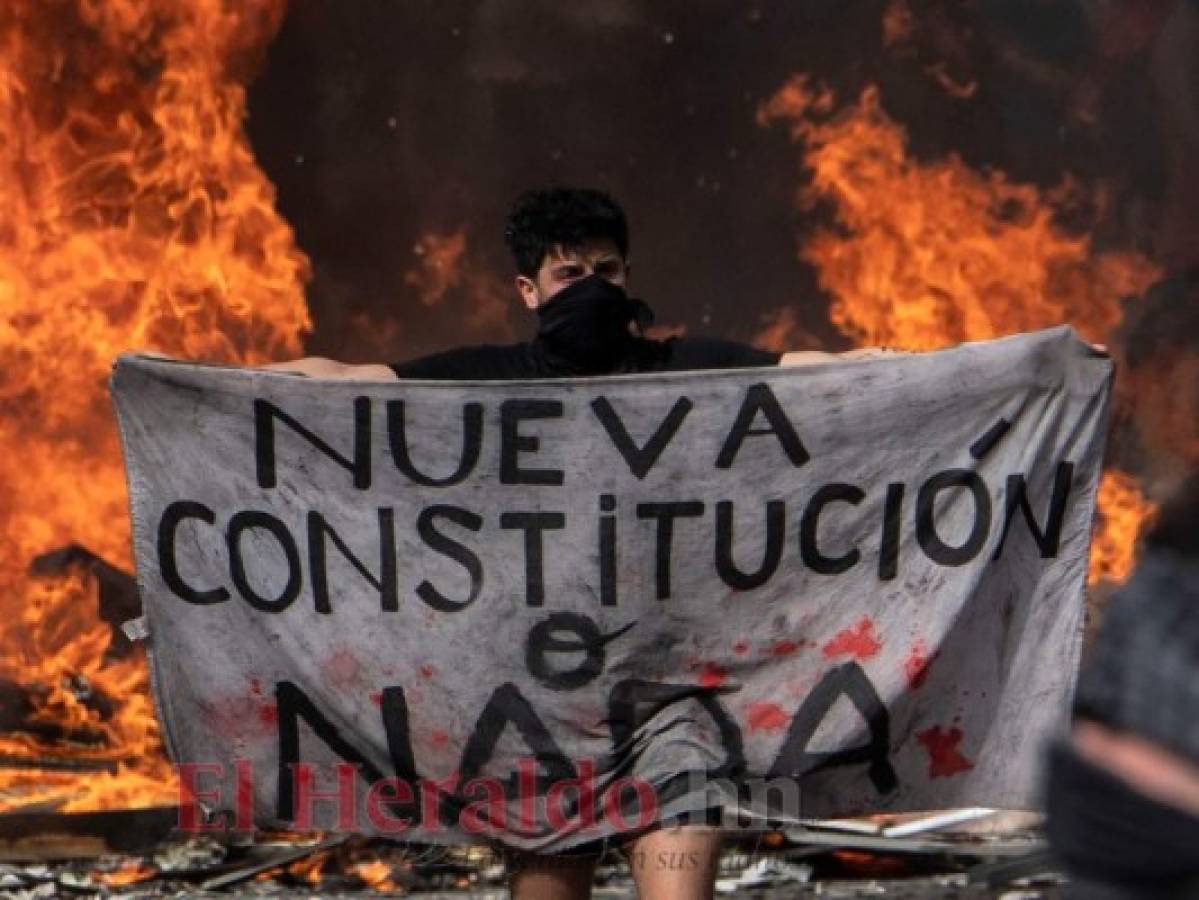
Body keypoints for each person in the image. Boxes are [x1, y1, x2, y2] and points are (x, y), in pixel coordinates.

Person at [270, 186, 886, 900]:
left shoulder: (683, 370)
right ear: (529, 290)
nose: (593, 287)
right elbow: (345, 384)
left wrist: (933, 369)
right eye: (570, 273)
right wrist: (202, 386)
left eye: (608, 269)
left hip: (671, 705)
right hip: (541, 714)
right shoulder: (487, 380)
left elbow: (808, 372)